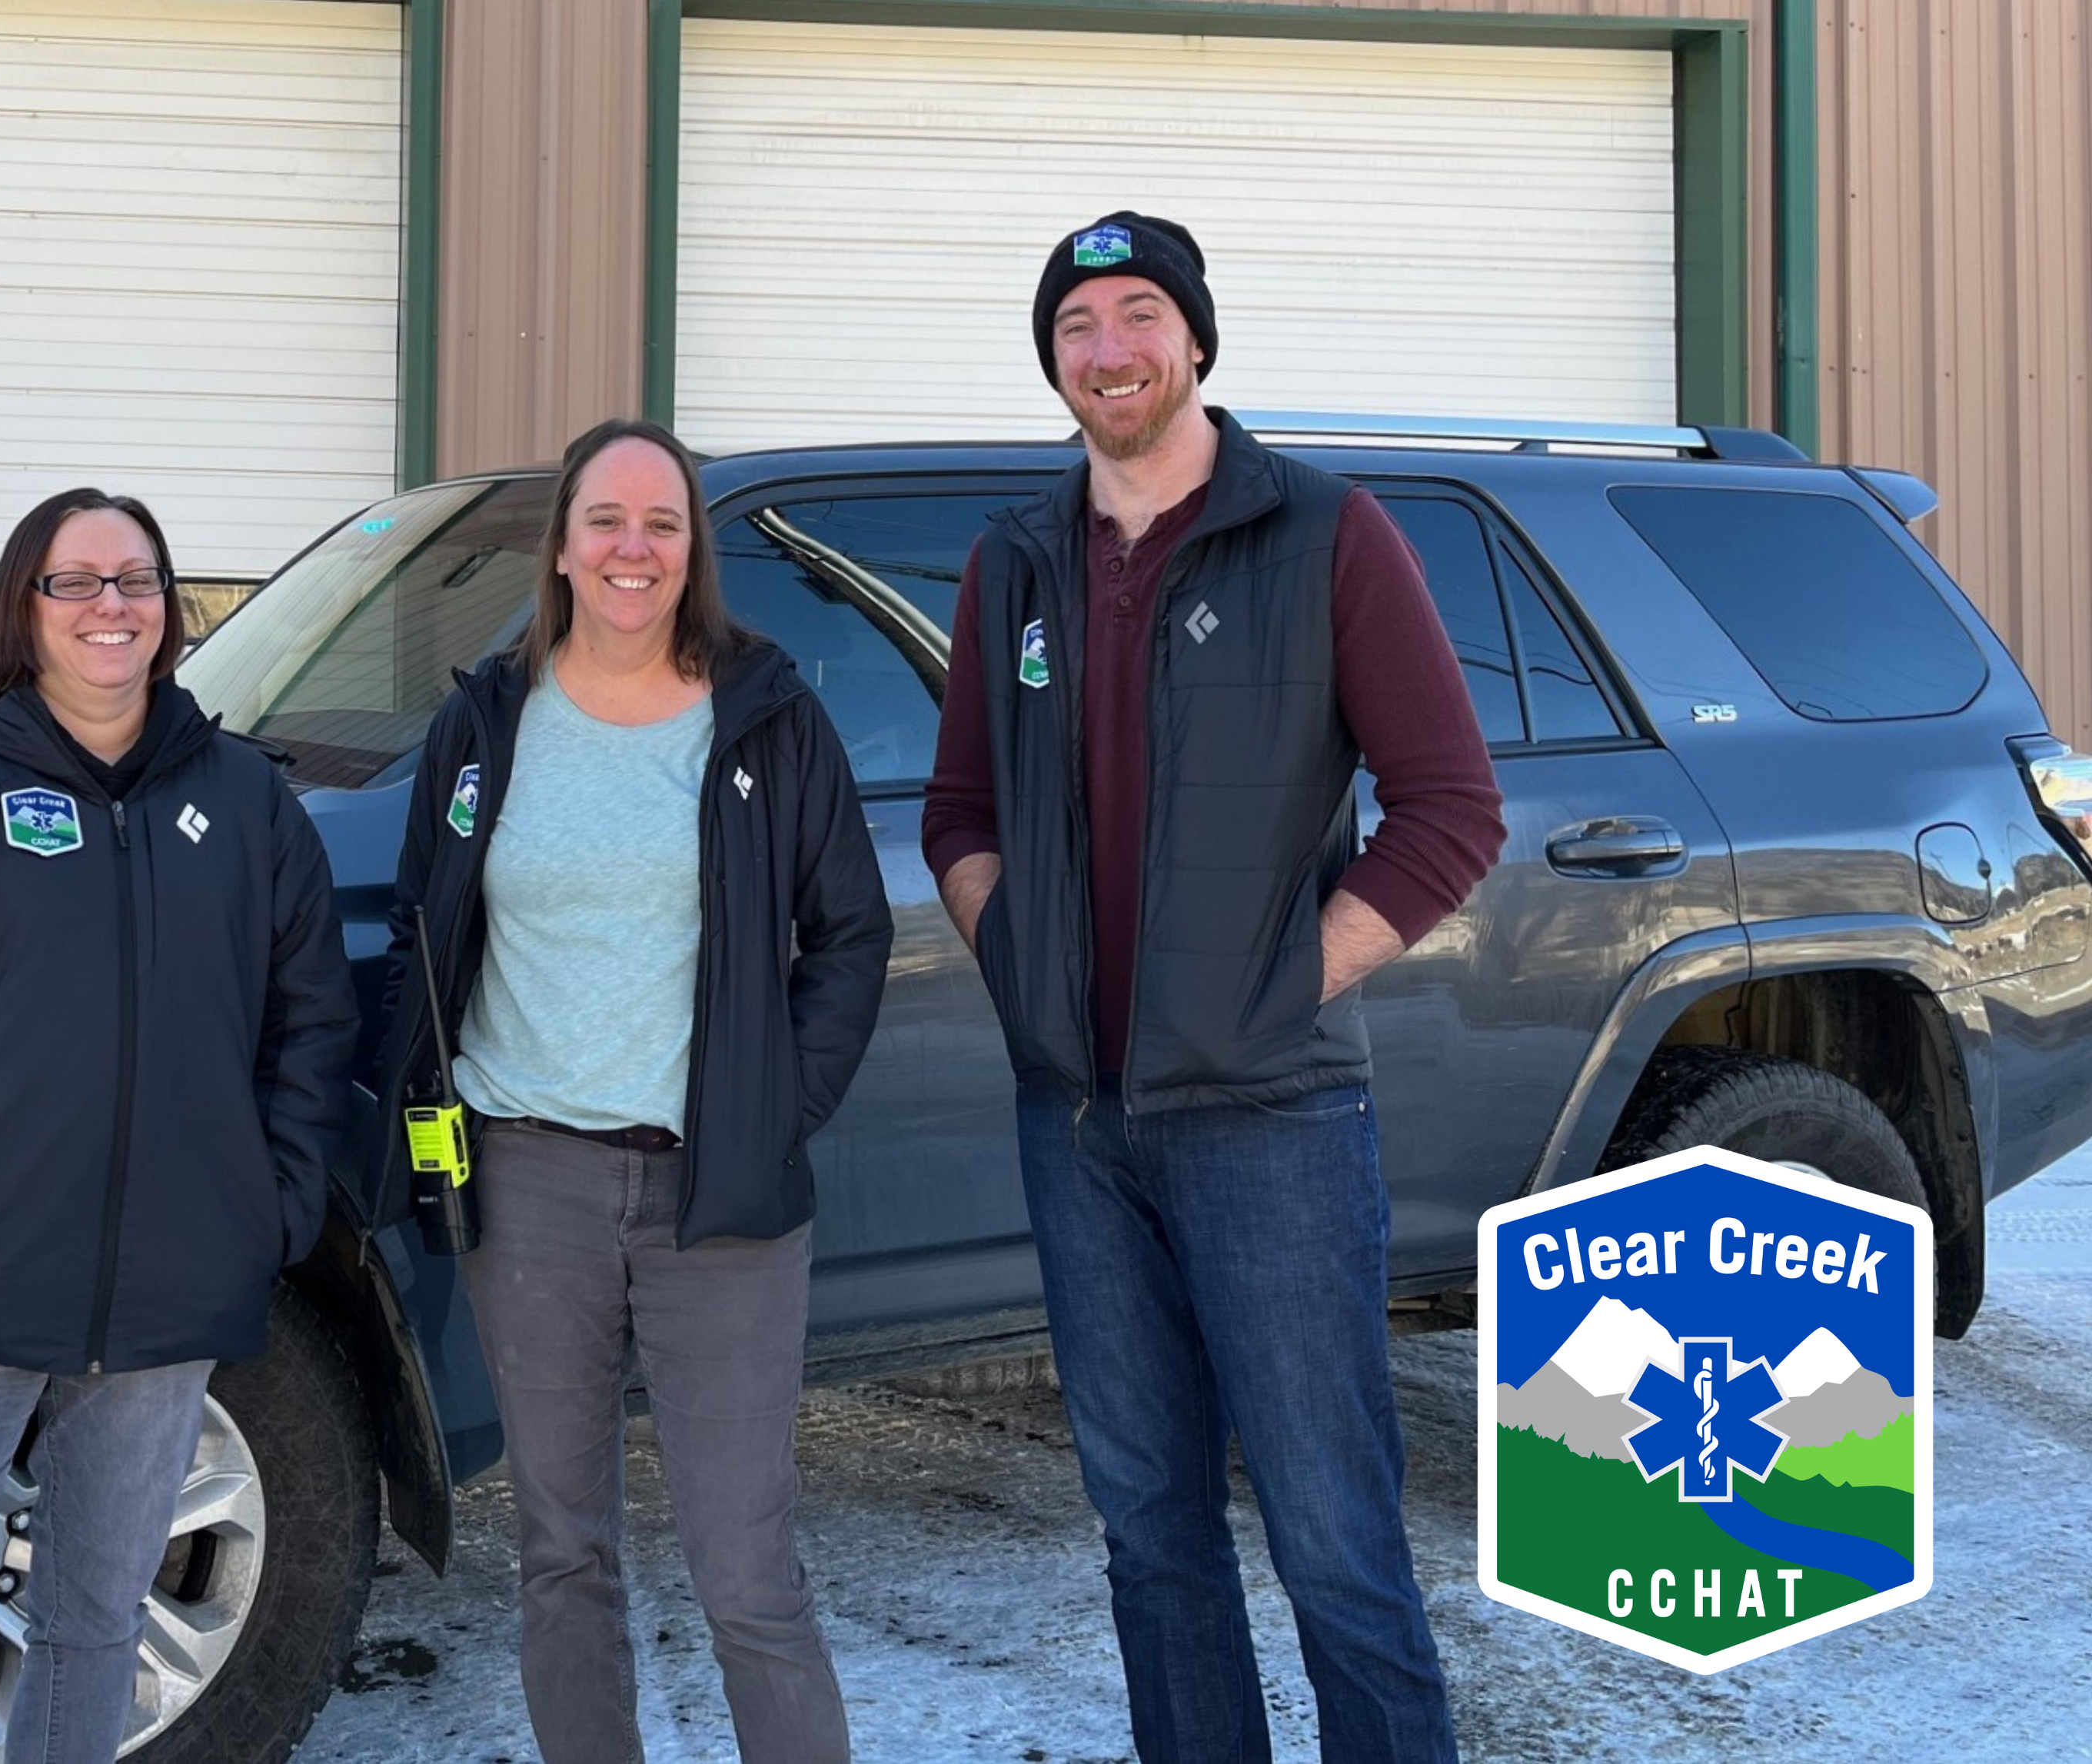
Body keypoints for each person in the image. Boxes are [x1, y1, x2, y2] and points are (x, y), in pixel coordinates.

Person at [923, 215, 1506, 1762]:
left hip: (1272, 1123)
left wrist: (1277, 991)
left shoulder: (1323, 534)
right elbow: (960, 812)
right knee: (1150, 1538)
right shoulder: (1016, 559)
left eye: (1135, 316)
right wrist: (1021, 974)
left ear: (1193, 340)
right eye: (1074, 327)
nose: (1105, 350)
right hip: (1082, 1124)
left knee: (1332, 1539)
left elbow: (1450, 809)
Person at [0, 487, 358, 1764]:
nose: (112, 605)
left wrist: (263, 1214)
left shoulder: (244, 803)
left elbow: (309, 1025)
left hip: (171, 1290)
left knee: (95, 1627)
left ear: (169, 607)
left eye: (137, 580)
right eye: (77, 581)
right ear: (23, 611)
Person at [379, 417, 894, 1764]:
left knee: (749, 1573)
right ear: (560, 544)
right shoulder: (485, 722)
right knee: (562, 1556)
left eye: (661, 524)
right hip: (527, 1180)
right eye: (605, 519)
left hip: (715, 1187)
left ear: (692, 550)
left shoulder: (767, 718)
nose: (632, 548)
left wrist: (775, 1109)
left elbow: (851, 936)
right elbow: (428, 930)